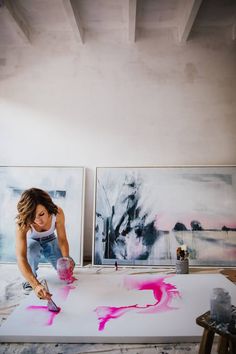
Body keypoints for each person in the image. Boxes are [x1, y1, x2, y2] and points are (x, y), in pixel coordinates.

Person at [16, 187, 74, 300]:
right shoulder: (23, 221)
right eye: (33, 217)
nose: (38, 221)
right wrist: (36, 285)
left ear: (48, 208)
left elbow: (62, 239)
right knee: (32, 248)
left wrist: (66, 259)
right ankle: (29, 280)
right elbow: (21, 257)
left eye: (41, 214)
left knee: (67, 271)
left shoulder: (57, 213)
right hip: (33, 243)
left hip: (51, 240)